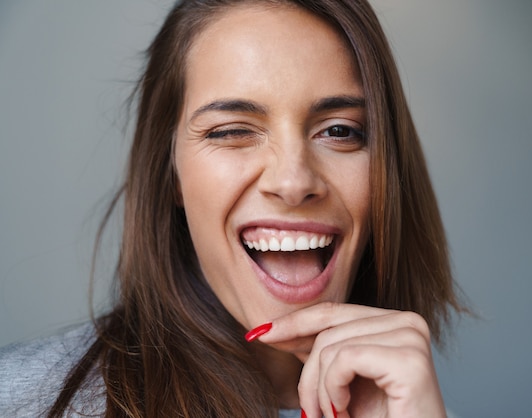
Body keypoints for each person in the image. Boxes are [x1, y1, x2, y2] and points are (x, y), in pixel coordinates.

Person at [0, 0, 467, 417]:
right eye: (230, 131)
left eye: (340, 131)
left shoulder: (415, 406)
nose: (293, 182)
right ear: (171, 175)